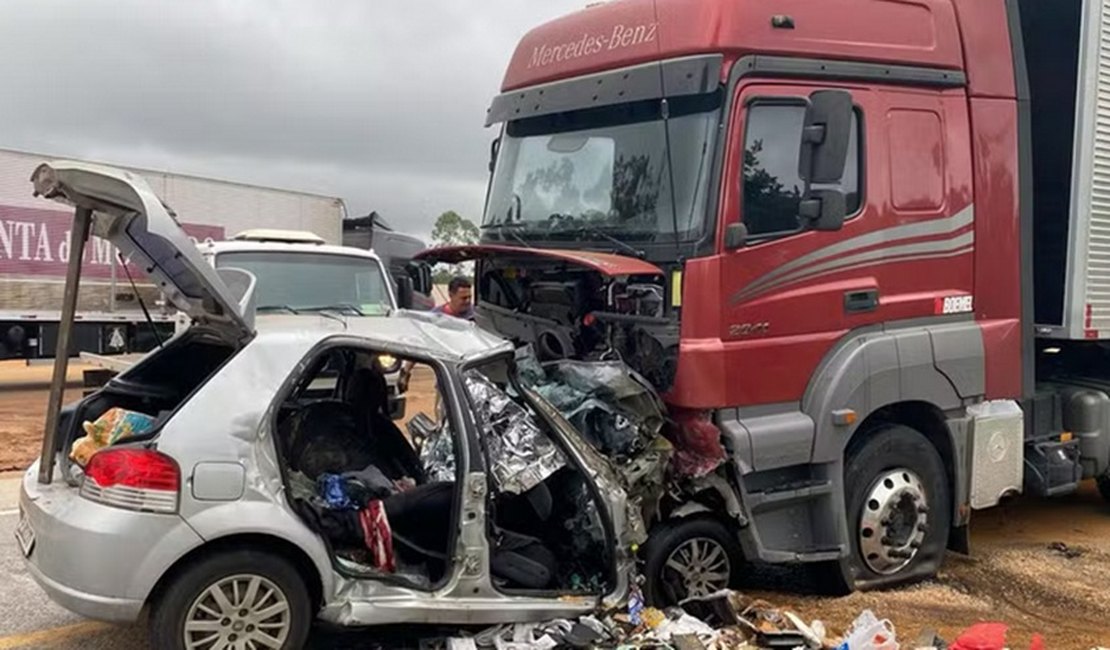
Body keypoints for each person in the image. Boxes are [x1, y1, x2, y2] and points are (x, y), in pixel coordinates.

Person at [398, 275, 474, 393]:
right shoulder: (436, 318)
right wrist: (406, 371)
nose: (468, 301)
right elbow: (421, 343)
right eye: (463, 298)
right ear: (451, 295)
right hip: (447, 379)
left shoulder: (476, 316)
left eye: (470, 297)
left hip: (473, 375)